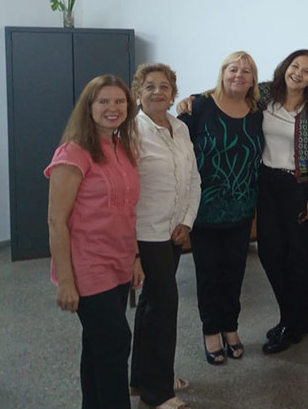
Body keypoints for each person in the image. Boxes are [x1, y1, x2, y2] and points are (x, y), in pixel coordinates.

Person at [45, 74, 142, 409]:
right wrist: (66, 281)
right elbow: (56, 220)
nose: (112, 108)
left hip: (119, 262)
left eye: (119, 101)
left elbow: (128, 211)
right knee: (115, 343)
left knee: (97, 346)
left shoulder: (121, 147)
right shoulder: (73, 153)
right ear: (89, 107)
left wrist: (136, 257)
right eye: (103, 101)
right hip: (87, 267)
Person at [179, 51, 264, 365]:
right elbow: (175, 144)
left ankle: (231, 327)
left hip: (242, 208)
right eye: (233, 69)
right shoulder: (199, 107)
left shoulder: (257, 111)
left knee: (234, 272)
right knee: (209, 274)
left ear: (253, 79)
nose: (238, 75)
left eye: (246, 71)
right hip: (204, 209)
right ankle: (210, 331)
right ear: (222, 72)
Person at [129, 64, 200, 409]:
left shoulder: (180, 128)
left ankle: (142, 377)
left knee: (150, 306)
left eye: (164, 87)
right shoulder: (130, 132)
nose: (158, 92)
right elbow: (125, 190)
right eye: (150, 86)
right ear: (138, 93)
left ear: (174, 93)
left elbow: (194, 180)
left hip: (174, 231)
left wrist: (187, 220)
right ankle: (157, 392)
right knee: (164, 307)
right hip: (146, 232)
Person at [257, 50, 308, 353]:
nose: (298, 73)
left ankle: (294, 322)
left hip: (301, 186)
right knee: (270, 253)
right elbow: (225, 90)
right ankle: (293, 318)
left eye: (306, 71)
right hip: (267, 184)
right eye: (294, 66)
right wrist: (193, 99)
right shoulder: (262, 94)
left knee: (298, 258)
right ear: (285, 67)